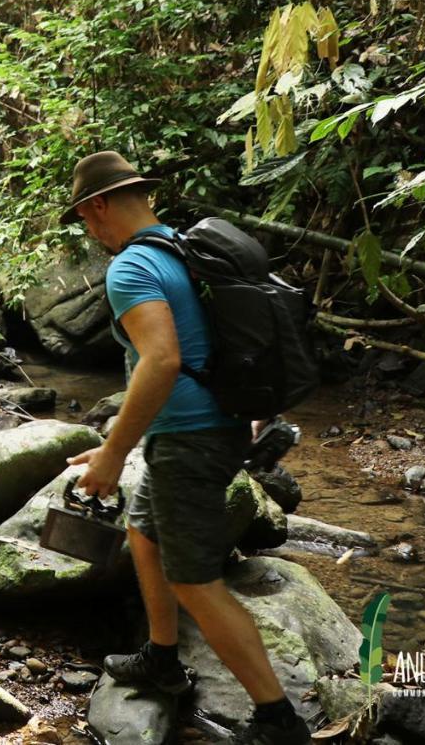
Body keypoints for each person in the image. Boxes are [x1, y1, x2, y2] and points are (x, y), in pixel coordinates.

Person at [60, 151, 308, 745]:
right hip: (210, 426)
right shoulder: (181, 250)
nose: (90, 232)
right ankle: (162, 659)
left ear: (99, 206)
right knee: (144, 533)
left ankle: (278, 719)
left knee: (195, 580)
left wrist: (113, 454)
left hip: (190, 442)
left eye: (86, 220)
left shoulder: (131, 270)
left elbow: (163, 359)